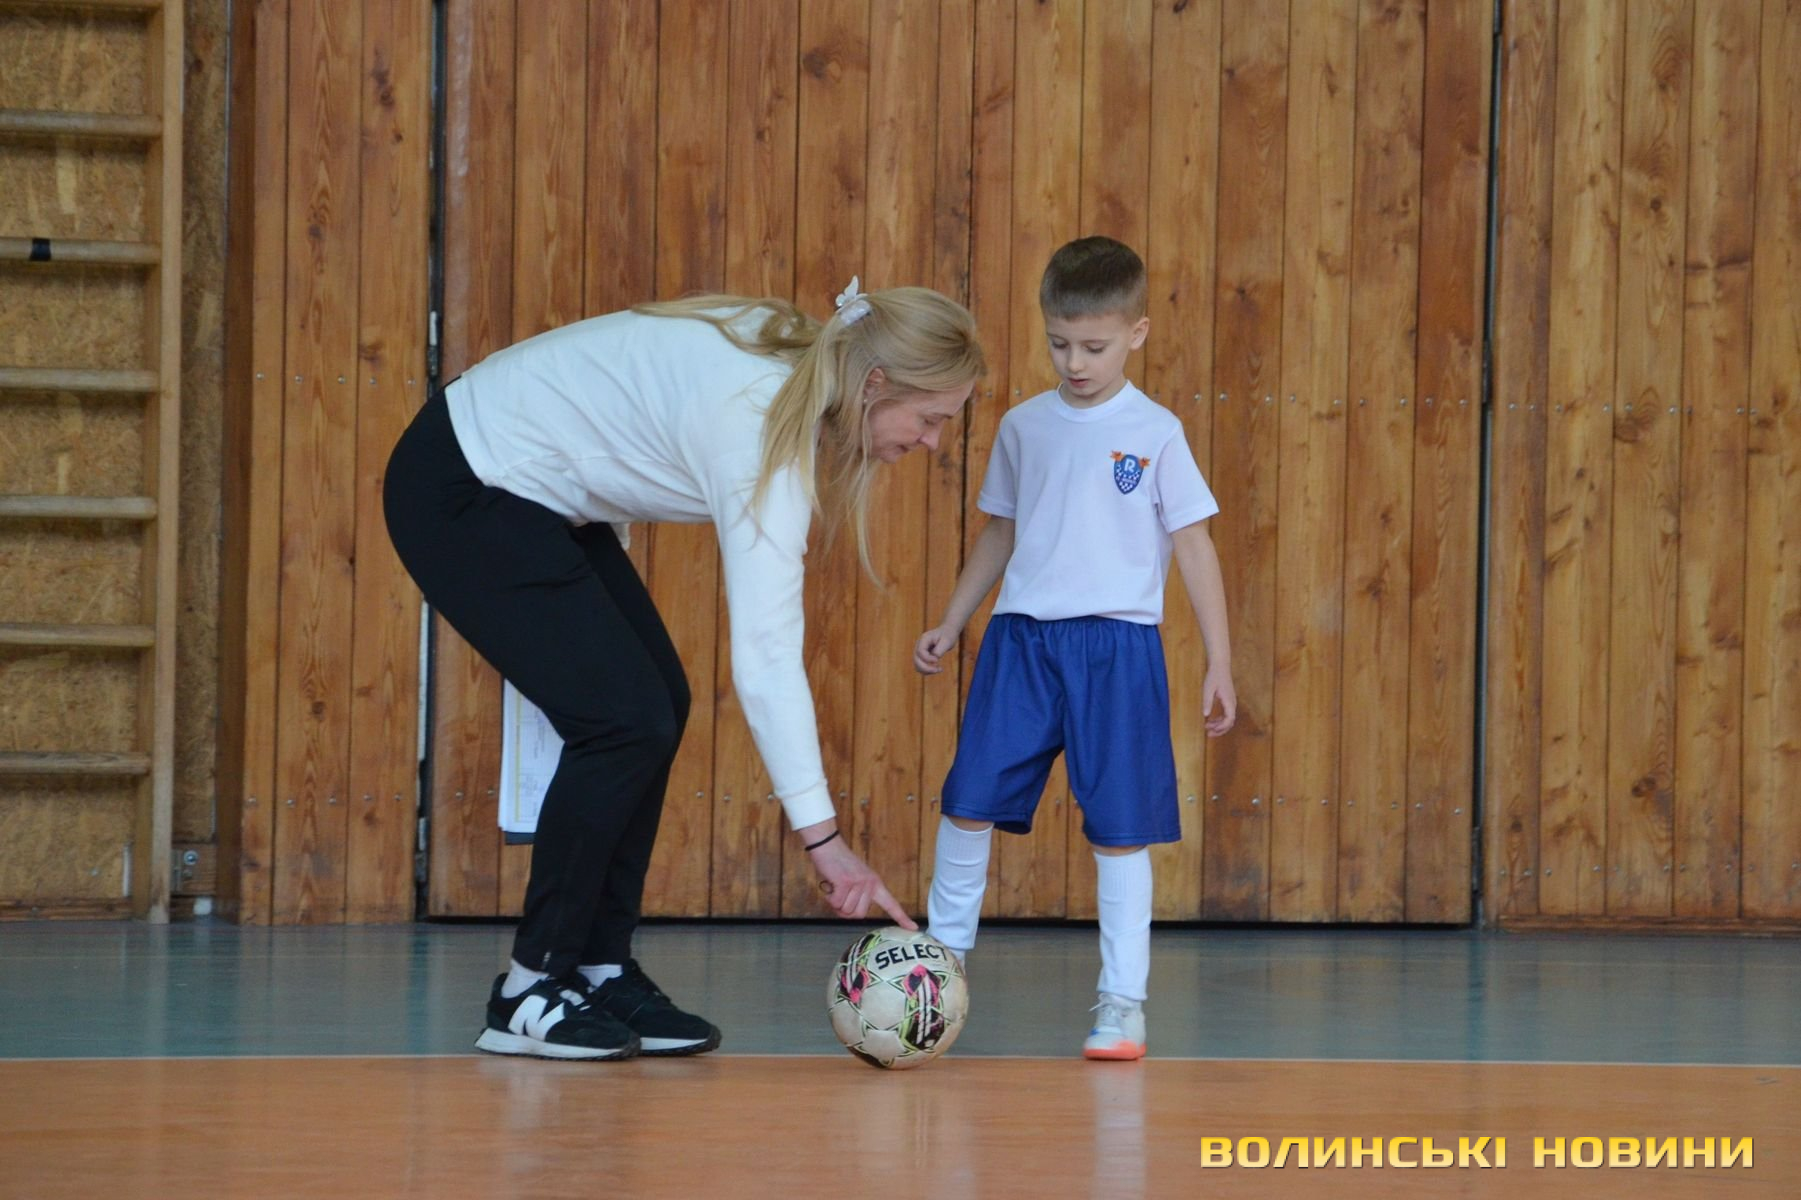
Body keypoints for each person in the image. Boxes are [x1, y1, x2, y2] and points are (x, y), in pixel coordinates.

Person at [385, 279, 985, 1061]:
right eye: (929, 418)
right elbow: (766, 658)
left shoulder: (795, 360)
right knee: (623, 720)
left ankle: (598, 969)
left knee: (654, 704)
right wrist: (825, 842)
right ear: (873, 383)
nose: (934, 442)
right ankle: (528, 990)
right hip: (464, 483)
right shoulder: (760, 428)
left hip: (532, 491)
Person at [913, 237, 1235, 1060]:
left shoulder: (1156, 431)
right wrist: (953, 618)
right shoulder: (1024, 426)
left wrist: (1220, 660)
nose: (1074, 362)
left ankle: (1122, 1002)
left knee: (1119, 829)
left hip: (1117, 649)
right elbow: (999, 531)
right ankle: (939, 970)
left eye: (1092, 346)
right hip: (1021, 641)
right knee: (968, 799)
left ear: (1136, 333)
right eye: (1059, 344)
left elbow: (1194, 545)